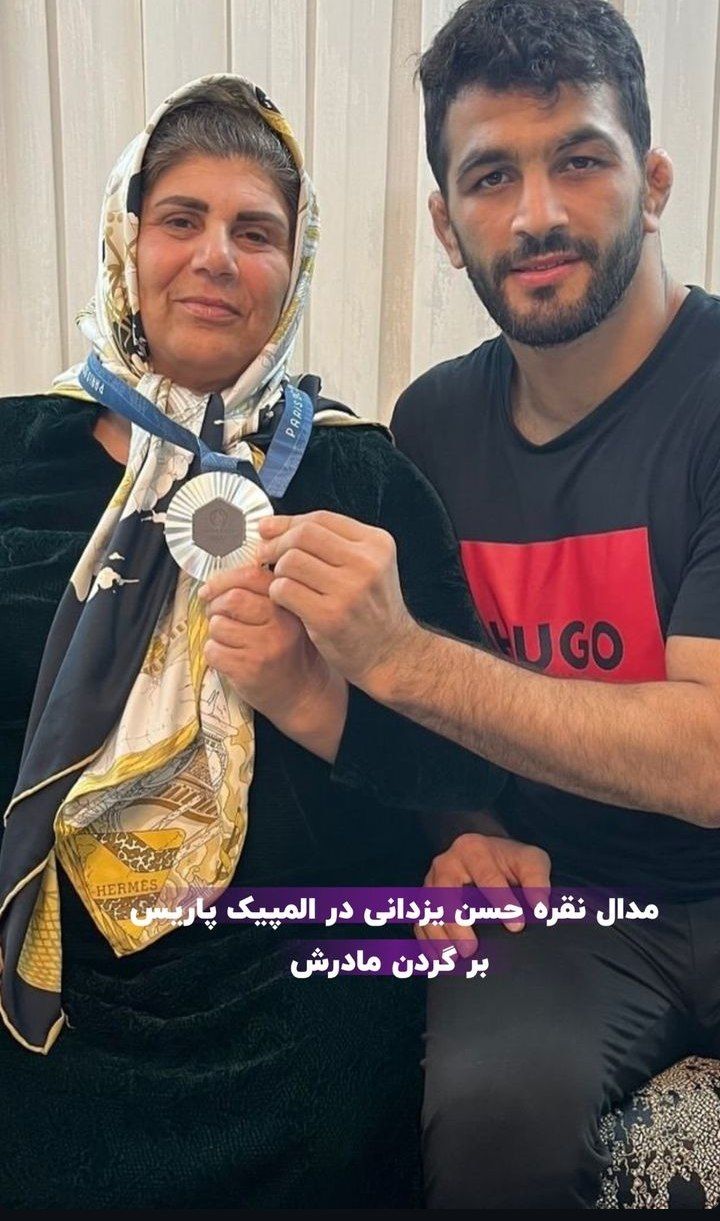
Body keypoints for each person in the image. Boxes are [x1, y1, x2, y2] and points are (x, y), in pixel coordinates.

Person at [0, 74, 504, 1208]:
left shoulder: (367, 476)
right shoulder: (16, 454)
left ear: (294, 265)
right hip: (49, 966)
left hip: (296, 972)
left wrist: (318, 703)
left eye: (256, 232)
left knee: (336, 1132)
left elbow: (464, 769)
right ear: (126, 241)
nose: (216, 258)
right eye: (181, 219)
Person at [256, 0, 720, 1209]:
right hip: (565, 905)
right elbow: (439, 734)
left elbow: (712, 756)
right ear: (446, 226)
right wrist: (462, 825)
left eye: (580, 159)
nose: (537, 215)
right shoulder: (431, 426)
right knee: (487, 1123)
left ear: (653, 183)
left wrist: (402, 657)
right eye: (491, 176)